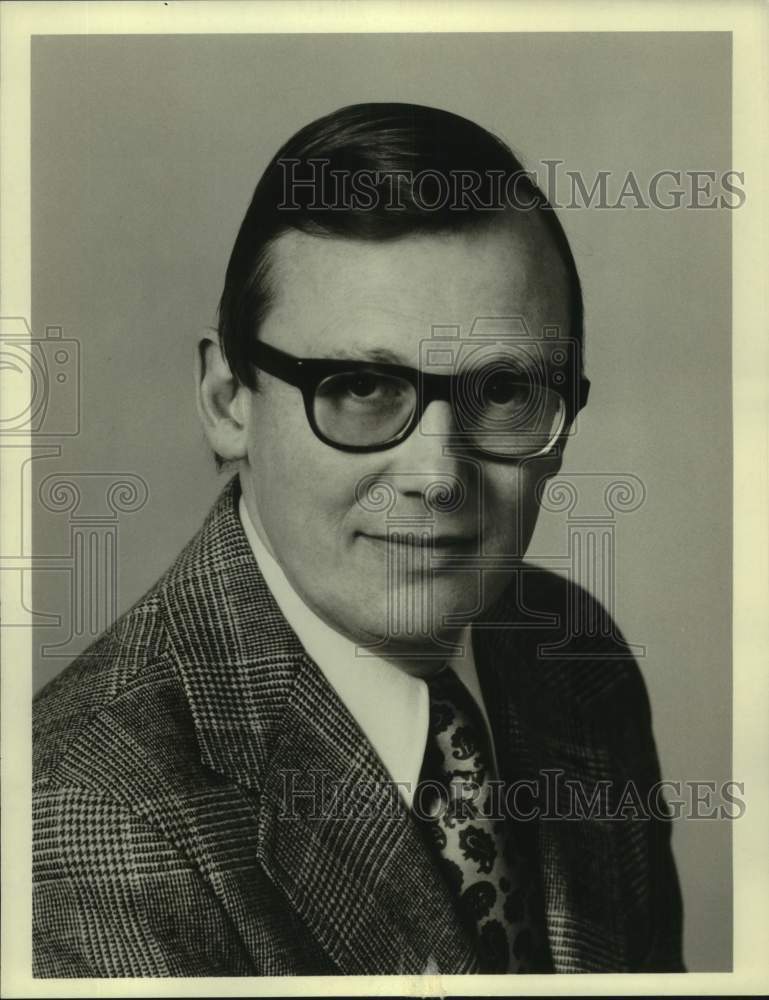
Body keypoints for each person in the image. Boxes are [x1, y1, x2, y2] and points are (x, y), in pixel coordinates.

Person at [32, 103, 684, 976]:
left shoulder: (574, 655)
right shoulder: (85, 815)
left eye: (502, 392)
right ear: (228, 402)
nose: (437, 475)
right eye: (362, 388)